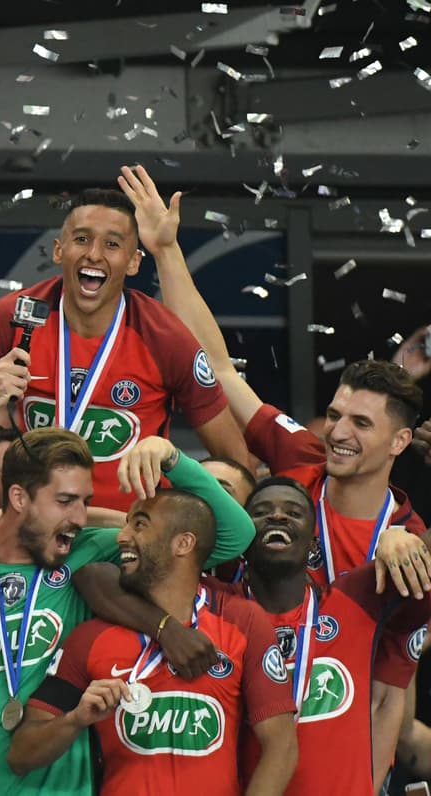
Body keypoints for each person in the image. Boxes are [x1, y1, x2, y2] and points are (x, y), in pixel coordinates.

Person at [121, 162, 431, 781]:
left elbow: (390, 690)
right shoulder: (299, 464)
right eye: (338, 414)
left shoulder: (410, 543)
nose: (338, 432)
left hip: (330, 753)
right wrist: (166, 251)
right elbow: (220, 370)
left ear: (400, 440)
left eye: (361, 425)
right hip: (238, 745)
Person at [0, 352, 254, 796]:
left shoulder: (83, 555)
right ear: (19, 498)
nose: (80, 517)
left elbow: (234, 535)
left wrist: (170, 456)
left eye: (84, 501)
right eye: (66, 502)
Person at [0, 186, 248, 511]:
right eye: (82, 239)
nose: (94, 254)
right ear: (58, 251)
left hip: (129, 542)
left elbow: (236, 464)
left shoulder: (165, 335)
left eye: (112, 244)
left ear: (133, 262)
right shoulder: (12, 317)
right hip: (35, 532)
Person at [8, 487, 298, 795]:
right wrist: (75, 719)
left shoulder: (242, 621)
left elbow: (281, 745)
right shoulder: (89, 637)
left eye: (140, 525)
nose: (122, 536)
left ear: (183, 543)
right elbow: (20, 755)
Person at [213, 476, 431, 794]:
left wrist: (401, 539)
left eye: (293, 511)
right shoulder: (214, 609)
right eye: (261, 511)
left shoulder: (354, 598)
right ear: (243, 539)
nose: (277, 516)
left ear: (313, 544)